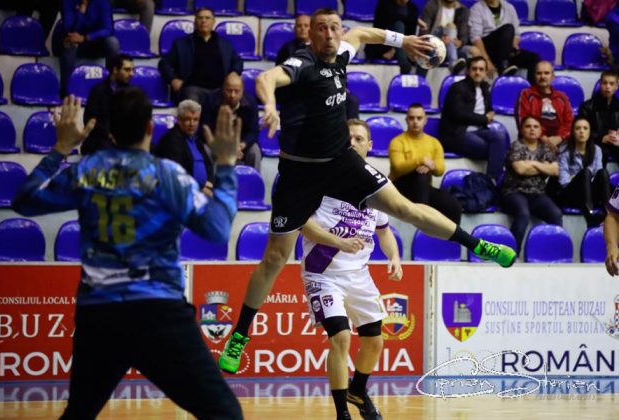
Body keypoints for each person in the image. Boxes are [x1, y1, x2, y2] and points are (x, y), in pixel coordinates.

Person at [218, 8, 516, 378]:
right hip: (299, 172)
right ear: (311, 35)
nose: (330, 34)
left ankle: (478, 245)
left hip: (341, 161)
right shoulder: (303, 63)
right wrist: (269, 106)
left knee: (406, 208)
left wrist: (404, 40)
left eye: (334, 27)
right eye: (321, 29)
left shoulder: (341, 52)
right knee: (275, 258)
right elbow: (266, 78)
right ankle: (239, 335)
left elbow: (360, 33)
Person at [12, 89, 243, 419]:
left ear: (110, 132)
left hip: (99, 315)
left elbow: (23, 200)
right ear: (151, 127)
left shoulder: (87, 170)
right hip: (158, 312)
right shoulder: (166, 174)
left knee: (78, 415)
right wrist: (226, 166)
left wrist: (61, 148)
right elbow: (217, 230)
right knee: (225, 414)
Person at [297, 118, 402, 420]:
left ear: (370, 145)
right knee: (341, 337)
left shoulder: (377, 187)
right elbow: (302, 224)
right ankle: (342, 412)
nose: (353, 143)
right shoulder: (322, 180)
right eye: (349, 138)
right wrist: (338, 242)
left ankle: (358, 390)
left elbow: (384, 230)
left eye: (359, 138)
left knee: (375, 340)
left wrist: (394, 256)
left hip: (359, 275)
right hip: (322, 273)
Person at [389, 103, 463, 223]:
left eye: (419, 118)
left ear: (425, 120)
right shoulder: (397, 142)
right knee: (421, 175)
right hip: (399, 188)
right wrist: (421, 160)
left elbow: (440, 170)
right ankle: (423, 219)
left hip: (422, 187)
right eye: (411, 118)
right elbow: (397, 168)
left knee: (454, 207)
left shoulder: (434, 143)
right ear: (406, 120)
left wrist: (432, 166)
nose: (415, 122)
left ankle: (451, 235)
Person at [439, 56, 507, 182]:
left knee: (500, 137)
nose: (477, 72)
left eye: (481, 69)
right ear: (468, 71)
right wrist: (484, 119)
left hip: (478, 131)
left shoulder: (485, 89)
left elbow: (489, 111)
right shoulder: (457, 88)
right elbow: (459, 114)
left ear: (485, 72)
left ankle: (492, 180)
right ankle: (490, 181)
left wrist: (488, 116)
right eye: (474, 69)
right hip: (457, 133)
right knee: (492, 149)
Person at [500, 116, 563, 252]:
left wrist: (532, 163)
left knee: (556, 214)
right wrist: (543, 166)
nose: (532, 129)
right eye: (528, 126)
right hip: (514, 192)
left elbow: (555, 171)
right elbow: (520, 169)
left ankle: (554, 252)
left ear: (540, 131)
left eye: (536, 127)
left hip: (537, 193)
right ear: (522, 130)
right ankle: (511, 254)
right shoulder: (516, 145)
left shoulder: (545, 148)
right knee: (523, 214)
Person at [158, 7, 243, 104]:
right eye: (200, 18)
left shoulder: (224, 44)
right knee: (191, 104)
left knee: (242, 100)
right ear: (195, 22)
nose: (203, 21)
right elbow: (163, 63)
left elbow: (238, 62)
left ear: (213, 22)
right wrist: (173, 80)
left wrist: (234, 72)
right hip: (193, 89)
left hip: (219, 90)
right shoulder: (182, 44)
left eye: (207, 18)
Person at [55, 0, 120, 97]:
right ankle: (66, 93)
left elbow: (108, 29)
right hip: (72, 41)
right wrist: (82, 10)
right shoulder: (68, 2)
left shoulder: (102, 2)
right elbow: (70, 29)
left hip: (94, 42)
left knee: (113, 42)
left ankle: (111, 87)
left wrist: (86, 37)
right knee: (70, 44)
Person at [554, 117, 611, 227]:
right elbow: (563, 181)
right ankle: (590, 216)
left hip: (590, 194)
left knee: (603, 172)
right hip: (571, 194)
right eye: (578, 128)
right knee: (585, 173)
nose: (581, 131)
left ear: (589, 132)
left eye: (585, 128)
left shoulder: (597, 150)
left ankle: (609, 215)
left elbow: (598, 175)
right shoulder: (564, 151)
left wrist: (575, 177)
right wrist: (581, 178)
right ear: (573, 132)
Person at [153, 99, 215, 196]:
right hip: (184, 194)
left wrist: (210, 183)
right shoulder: (171, 141)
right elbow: (178, 174)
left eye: (195, 119)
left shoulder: (197, 140)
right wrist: (201, 188)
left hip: (203, 191)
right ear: (179, 120)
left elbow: (208, 165)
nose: (192, 124)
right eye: (188, 119)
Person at [201, 73, 261, 172]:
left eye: (236, 91)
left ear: (242, 91)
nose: (232, 95)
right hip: (216, 143)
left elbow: (254, 131)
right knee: (205, 149)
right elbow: (205, 128)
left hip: (240, 144)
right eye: (229, 90)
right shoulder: (210, 100)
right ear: (222, 89)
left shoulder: (250, 102)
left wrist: (241, 145)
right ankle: (209, 179)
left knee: (255, 151)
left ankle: (252, 179)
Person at [468, 0, 539, 82]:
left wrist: (513, 46)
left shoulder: (509, 7)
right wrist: (486, 60)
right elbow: (475, 37)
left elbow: (516, 35)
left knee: (534, 58)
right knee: (508, 29)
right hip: (488, 48)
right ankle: (503, 66)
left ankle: (532, 88)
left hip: (506, 50)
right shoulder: (476, 9)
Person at [82, 54, 134, 155]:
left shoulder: (132, 93)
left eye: (132, 70)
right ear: (115, 70)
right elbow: (90, 120)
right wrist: (110, 135)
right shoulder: (97, 91)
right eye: (127, 70)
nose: (131, 74)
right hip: (100, 139)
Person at [516, 61, 573, 151]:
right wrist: (544, 139)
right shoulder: (526, 94)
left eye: (546, 73)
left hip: (560, 142)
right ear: (534, 76)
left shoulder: (562, 97)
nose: (542, 76)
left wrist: (559, 138)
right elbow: (523, 121)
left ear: (553, 76)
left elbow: (569, 122)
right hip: (534, 140)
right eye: (539, 73)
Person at [420, 0, 479, 74]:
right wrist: (439, 40)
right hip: (434, 42)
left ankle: (466, 79)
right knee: (451, 27)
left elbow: (464, 35)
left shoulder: (462, 9)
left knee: (474, 51)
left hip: (453, 44)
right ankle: (453, 63)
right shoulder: (432, 5)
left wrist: (460, 42)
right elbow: (425, 31)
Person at [365, 0, 423, 74]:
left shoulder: (412, 8)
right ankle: (404, 63)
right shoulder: (385, 3)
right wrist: (416, 20)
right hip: (381, 45)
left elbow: (411, 34)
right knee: (399, 25)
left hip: (400, 49)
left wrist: (394, 50)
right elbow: (380, 28)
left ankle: (406, 63)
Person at [577, 70, 619, 166]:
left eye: (611, 84)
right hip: (595, 143)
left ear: (616, 86)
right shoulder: (587, 107)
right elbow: (581, 130)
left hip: (615, 143)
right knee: (600, 152)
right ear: (600, 84)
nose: (607, 86)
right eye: (605, 83)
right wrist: (602, 138)